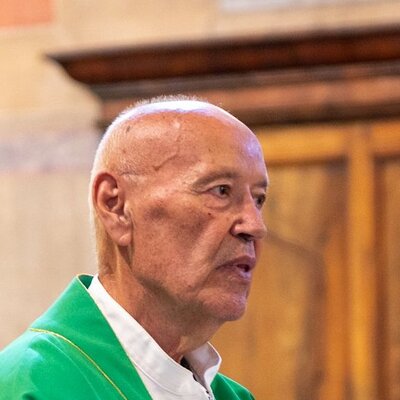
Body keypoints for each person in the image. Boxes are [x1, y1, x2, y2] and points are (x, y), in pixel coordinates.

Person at [0, 97, 268, 399]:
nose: (255, 225)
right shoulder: (34, 385)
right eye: (221, 191)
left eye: (259, 199)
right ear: (115, 206)